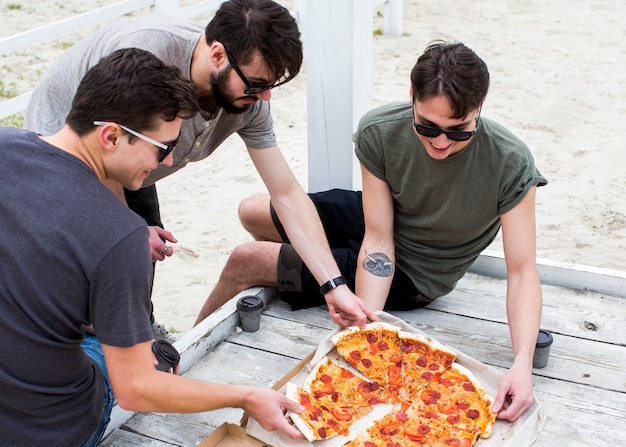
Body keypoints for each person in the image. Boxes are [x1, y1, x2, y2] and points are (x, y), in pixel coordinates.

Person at [197, 40, 548, 422]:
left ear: (480, 107)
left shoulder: (510, 161)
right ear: (411, 95)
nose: (442, 142)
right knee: (252, 211)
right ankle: (288, 277)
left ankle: (180, 358)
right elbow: (378, 236)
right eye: (427, 126)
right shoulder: (380, 129)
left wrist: (522, 364)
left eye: (459, 130)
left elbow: (522, 270)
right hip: (381, 224)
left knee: (244, 260)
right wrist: (369, 329)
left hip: (419, 271)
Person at [0, 48, 304, 447]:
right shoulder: (122, 236)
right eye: (162, 147)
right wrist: (246, 395)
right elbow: (136, 390)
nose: (169, 160)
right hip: (51, 429)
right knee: (139, 356)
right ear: (110, 135)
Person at [25, 0, 375, 339]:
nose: (265, 98)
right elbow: (107, 155)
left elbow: (286, 193)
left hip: (135, 157)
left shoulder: (248, 99)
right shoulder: (148, 57)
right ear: (218, 54)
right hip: (72, 155)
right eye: (255, 84)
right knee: (95, 276)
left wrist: (334, 285)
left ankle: (139, 330)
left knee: (141, 256)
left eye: (271, 85)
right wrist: (125, 227)